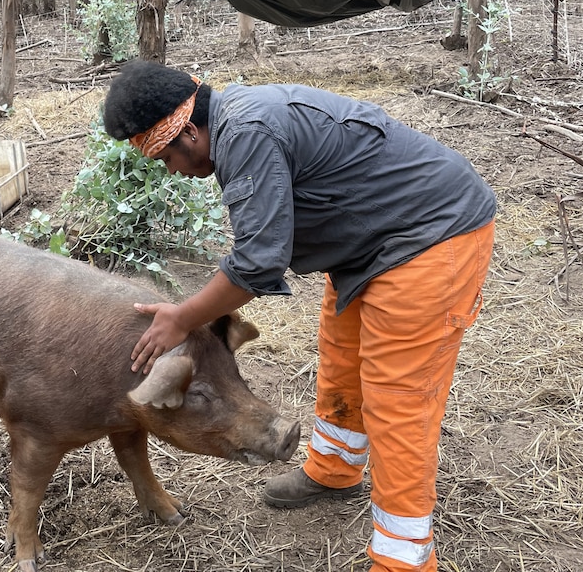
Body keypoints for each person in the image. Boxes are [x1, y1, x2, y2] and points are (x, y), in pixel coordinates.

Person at [102, 60, 495, 572]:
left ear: (190, 131)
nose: (172, 171)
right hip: (368, 245)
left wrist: (183, 317)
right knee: (342, 358)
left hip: (429, 237)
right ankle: (334, 470)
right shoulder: (237, 122)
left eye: (165, 156)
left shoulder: (245, 132)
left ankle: (403, 560)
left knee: (398, 400)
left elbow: (258, 260)